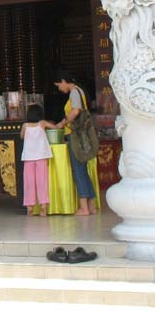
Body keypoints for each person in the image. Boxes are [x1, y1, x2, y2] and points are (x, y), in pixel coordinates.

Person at [54, 70, 99, 216]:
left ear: (63, 81)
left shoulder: (74, 92)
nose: (59, 89)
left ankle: (84, 208)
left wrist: (63, 122)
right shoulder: (79, 91)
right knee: (83, 170)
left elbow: (76, 111)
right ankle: (91, 206)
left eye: (58, 85)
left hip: (75, 136)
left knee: (78, 170)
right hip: (80, 136)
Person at [20, 104, 57, 217]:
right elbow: (55, 128)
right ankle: (43, 208)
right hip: (41, 157)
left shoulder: (25, 125)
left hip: (28, 158)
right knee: (42, 182)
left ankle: (29, 207)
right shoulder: (42, 123)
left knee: (29, 183)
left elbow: (21, 136)